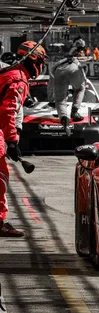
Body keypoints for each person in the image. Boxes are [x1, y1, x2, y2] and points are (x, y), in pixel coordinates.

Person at [0, 41, 47, 237]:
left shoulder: (9, 73)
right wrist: (11, 141)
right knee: (0, 177)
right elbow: (8, 111)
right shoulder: (17, 79)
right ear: (34, 60)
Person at [48, 37, 87, 137]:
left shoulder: (63, 47)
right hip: (73, 67)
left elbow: (50, 84)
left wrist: (51, 99)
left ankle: (64, 118)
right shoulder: (79, 50)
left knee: (60, 100)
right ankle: (74, 112)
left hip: (59, 69)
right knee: (80, 88)